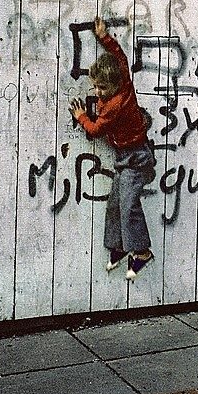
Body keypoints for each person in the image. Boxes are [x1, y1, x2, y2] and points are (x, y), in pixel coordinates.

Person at [69, 16, 156, 281]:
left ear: (115, 85)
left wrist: (82, 116)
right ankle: (118, 247)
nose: (97, 91)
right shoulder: (124, 79)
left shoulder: (113, 106)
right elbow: (119, 54)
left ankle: (142, 252)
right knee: (115, 205)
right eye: (95, 86)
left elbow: (95, 130)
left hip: (137, 159)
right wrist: (103, 36)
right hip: (125, 157)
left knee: (128, 205)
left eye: (102, 87)